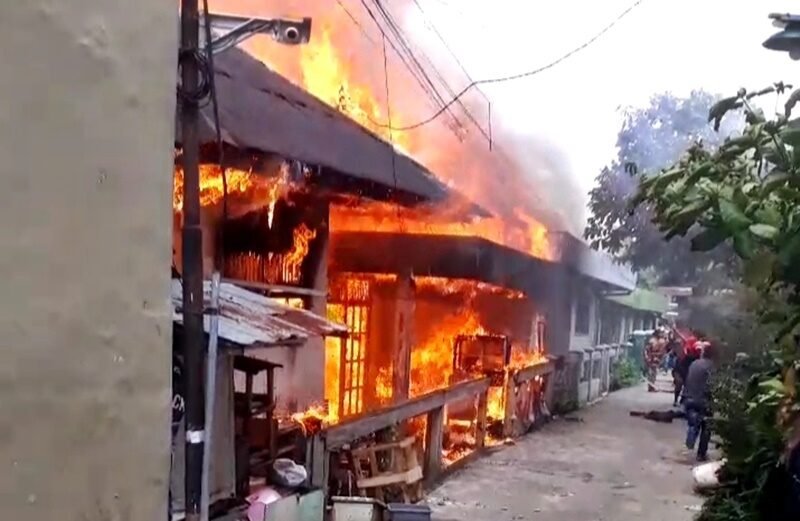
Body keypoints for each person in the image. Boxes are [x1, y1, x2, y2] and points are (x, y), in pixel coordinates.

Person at [683, 342, 715, 461]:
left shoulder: (694, 364)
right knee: (706, 426)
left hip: (689, 398)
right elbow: (712, 385)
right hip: (704, 400)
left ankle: (691, 436)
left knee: (693, 421)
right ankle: (701, 454)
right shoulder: (712, 366)